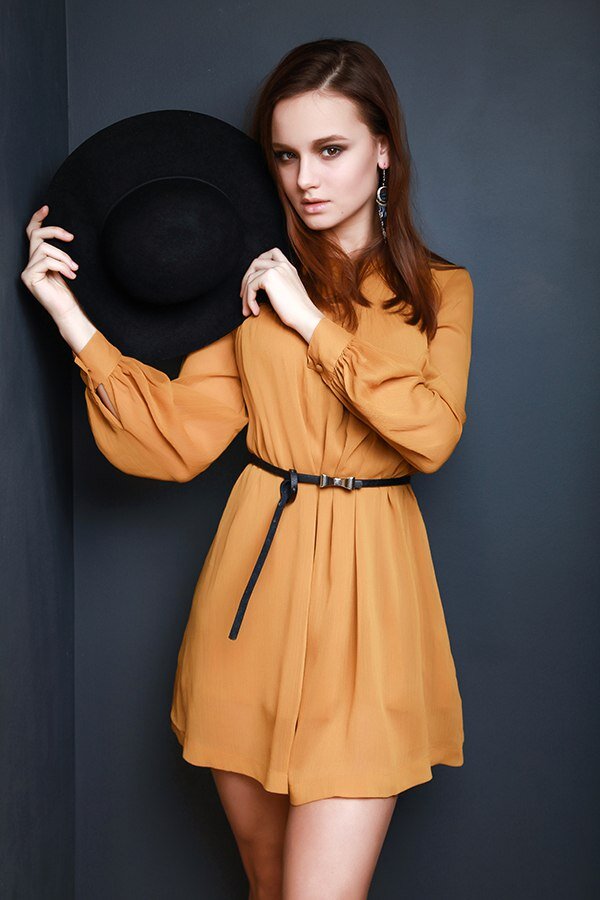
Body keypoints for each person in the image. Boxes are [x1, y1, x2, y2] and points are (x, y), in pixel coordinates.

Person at [21, 37, 474, 900]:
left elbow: (431, 433)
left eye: (331, 149)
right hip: (251, 599)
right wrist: (69, 314)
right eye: (286, 155)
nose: (306, 180)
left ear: (383, 150)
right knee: (269, 886)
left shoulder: (441, 292)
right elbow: (174, 440)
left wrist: (311, 323)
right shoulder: (248, 291)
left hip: (372, 606)